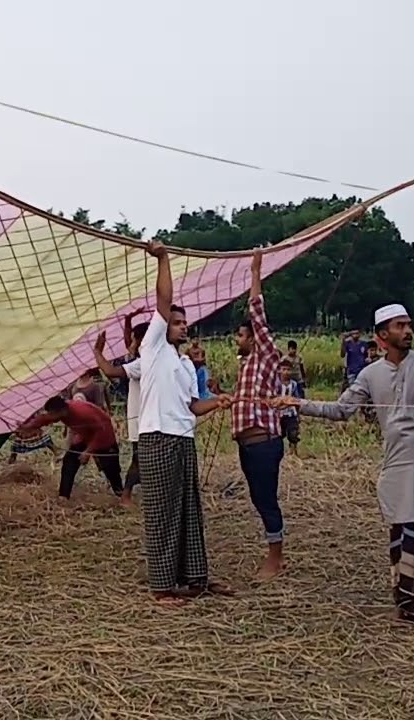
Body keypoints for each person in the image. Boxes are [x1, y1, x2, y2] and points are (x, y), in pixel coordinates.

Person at [270, 303, 414, 630]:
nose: (407, 331)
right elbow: (342, 410)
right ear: (382, 335)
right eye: (399, 326)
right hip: (396, 466)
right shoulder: (370, 374)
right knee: (403, 537)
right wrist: (298, 404)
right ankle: (406, 607)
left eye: (408, 325)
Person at [137, 239, 234, 606]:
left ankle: (195, 578)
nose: (182, 327)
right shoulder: (154, 348)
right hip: (158, 439)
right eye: (176, 322)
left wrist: (217, 403)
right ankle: (162, 587)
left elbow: (192, 406)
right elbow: (163, 300)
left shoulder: (182, 363)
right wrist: (163, 259)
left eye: (184, 323)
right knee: (162, 513)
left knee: (188, 511)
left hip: (182, 439)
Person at [231, 248, 288, 580]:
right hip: (248, 445)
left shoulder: (265, 353)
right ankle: (275, 551)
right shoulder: (247, 365)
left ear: (253, 337)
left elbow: (257, 312)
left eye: (240, 334)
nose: (237, 339)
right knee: (258, 497)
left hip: (264, 442)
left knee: (265, 499)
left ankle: (275, 559)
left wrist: (255, 273)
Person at [17, 395, 127, 504]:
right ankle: (63, 496)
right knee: (69, 462)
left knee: (111, 469)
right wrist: (27, 427)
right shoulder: (59, 413)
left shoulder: (82, 412)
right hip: (84, 435)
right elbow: (44, 419)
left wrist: (88, 451)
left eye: (53, 414)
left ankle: (121, 495)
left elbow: (101, 430)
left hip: (104, 436)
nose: (51, 417)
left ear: (62, 411)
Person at [93, 321, 149, 505]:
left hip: (144, 420)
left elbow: (111, 369)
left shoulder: (144, 363)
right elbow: (111, 369)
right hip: (141, 421)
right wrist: (128, 323)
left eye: (134, 340)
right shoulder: (142, 363)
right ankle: (126, 494)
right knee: (139, 458)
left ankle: (129, 493)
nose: (130, 345)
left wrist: (98, 352)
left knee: (142, 458)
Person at [275, 360, 302, 456]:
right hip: (278, 414)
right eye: (284, 369)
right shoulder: (276, 384)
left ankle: (293, 452)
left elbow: (297, 399)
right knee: (278, 434)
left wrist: (298, 415)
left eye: (288, 370)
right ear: (279, 370)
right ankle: (278, 453)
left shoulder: (294, 384)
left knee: (293, 433)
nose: (286, 372)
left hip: (291, 413)